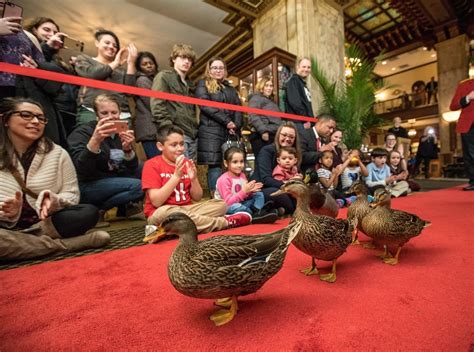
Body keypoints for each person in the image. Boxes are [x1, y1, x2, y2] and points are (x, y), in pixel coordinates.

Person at [0, 97, 110, 260]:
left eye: (41, 118)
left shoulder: (58, 153)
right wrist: (6, 212)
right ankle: (66, 245)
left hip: (43, 225)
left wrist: (55, 200)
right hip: (4, 228)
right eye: (26, 115)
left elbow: (72, 195)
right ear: (5, 119)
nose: (36, 121)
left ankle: (23, 245)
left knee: (87, 213)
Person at [142, 125, 251, 233]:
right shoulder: (151, 165)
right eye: (174, 145)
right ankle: (225, 222)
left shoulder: (186, 163)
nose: (180, 149)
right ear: (160, 146)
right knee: (165, 212)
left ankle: (170, 230)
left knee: (221, 205)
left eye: (181, 144)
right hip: (162, 213)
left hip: (188, 210)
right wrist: (176, 177)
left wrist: (194, 179)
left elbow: (197, 197)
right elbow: (156, 202)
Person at [67, 94, 143, 225]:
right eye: (104, 113)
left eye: (114, 112)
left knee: (147, 169)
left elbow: (132, 167)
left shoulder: (120, 133)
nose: (110, 117)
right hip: (87, 184)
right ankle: (98, 209)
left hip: (110, 177)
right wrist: (95, 141)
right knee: (141, 186)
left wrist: (128, 150)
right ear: (96, 116)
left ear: (120, 113)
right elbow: (81, 169)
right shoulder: (82, 133)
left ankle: (121, 207)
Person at [23, 17, 79, 136]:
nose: (51, 35)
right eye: (47, 30)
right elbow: (34, 62)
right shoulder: (26, 46)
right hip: (42, 108)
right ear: (34, 30)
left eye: (55, 33)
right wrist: (47, 46)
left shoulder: (60, 61)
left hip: (66, 112)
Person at [195, 57, 243, 196]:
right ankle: (216, 197)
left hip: (230, 132)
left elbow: (238, 108)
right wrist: (227, 121)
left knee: (232, 163)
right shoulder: (203, 84)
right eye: (214, 68)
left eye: (221, 68)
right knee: (215, 164)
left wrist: (236, 125)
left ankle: (232, 195)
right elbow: (205, 105)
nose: (218, 70)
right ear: (209, 70)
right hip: (210, 131)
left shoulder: (230, 88)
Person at [74, 29, 137, 125]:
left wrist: (131, 63)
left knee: (123, 140)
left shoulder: (121, 71)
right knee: (89, 138)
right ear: (97, 43)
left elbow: (130, 92)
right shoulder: (84, 59)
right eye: (107, 43)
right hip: (91, 110)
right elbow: (92, 75)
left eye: (115, 46)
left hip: (121, 114)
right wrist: (115, 63)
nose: (111, 47)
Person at [150, 44, 197, 160]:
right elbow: (157, 105)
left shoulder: (191, 84)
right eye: (183, 57)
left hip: (193, 135)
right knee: (179, 171)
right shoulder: (164, 77)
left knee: (191, 173)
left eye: (189, 59)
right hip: (176, 133)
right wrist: (171, 131)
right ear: (174, 59)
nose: (186, 62)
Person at [215, 147, 278, 224]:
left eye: (241, 161)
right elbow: (228, 202)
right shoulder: (224, 179)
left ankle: (258, 213)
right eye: (235, 162)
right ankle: (257, 214)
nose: (239, 165)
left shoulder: (242, 176)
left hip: (241, 203)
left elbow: (244, 196)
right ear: (226, 163)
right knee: (237, 207)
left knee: (259, 194)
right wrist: (244, 191)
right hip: (226, 207)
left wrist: (250, 191)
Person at [252, 122, 302, 215]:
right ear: (278, 135)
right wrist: (288, 185)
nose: (287, 139)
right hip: (264, 189)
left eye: (291, 137)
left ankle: (276, 210)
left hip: (286, 188)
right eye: (284, 135)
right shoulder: (267, 151)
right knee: (285, 199)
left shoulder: (295, 154)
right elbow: (266, 179)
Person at [248, 76, 283, 157]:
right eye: (266, 85)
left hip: (272, 135)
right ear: (261, 87)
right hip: (261, 136)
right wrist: (263, 131)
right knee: (263, 162)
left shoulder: (270, 101)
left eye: (271, 86)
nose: (269, 88)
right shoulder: (256, 98)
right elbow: (253, 115)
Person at [449, 78, 474, 191]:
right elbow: (453, 106)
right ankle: (473, 181)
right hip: (468, 125)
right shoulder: (464, 85)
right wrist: (468, 98)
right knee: (469, 154)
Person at [134, 51, 159, 159]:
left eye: (151, 63)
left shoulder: (154, 80)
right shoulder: (142, 80)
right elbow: (152, 103)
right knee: (156, 161)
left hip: (153, 129)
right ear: (139, 67)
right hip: (149, 129)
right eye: (144, 64)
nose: (149, 66)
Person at [284, 57, 314, 132]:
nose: (306, 69)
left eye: (308, 67)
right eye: (304, 67)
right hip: (299, 124)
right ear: (298, 67)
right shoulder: (293, 81)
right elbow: (295, 103)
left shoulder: (302, 84)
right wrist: (305, 119)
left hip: (305, 123)